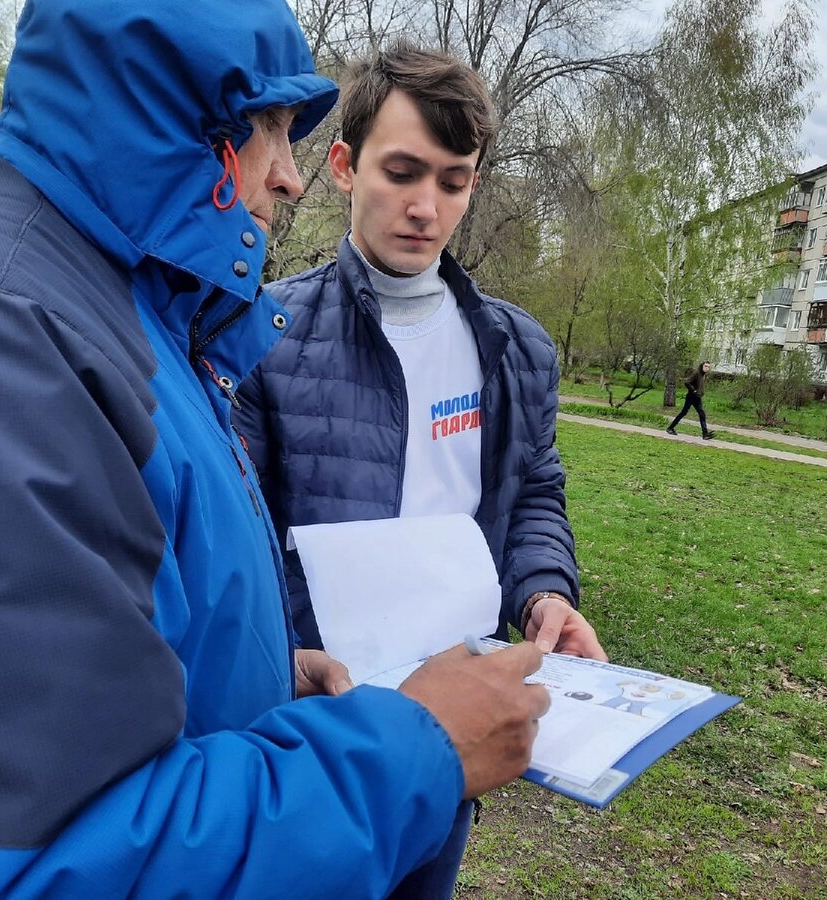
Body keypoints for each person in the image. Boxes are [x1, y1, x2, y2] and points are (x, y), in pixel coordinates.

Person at [0, 3, 551, 897]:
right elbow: (35, 859)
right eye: (269, 127)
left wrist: (263, 678)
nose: (290, 178)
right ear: (171, 118)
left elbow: (111, 623)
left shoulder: (122, 308)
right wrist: (410, 754)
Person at [234, 43, 606, 898]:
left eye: (453, 180)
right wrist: (283, 658)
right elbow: (231, 532)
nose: (425, 206)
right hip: (313, 727)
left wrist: (546, 593)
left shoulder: (515, 346)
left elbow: (534, 491)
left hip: (455, 721)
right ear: (341, 165)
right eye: (401, 171)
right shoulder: (261, 334)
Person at [666, 360, 715, 438]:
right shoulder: (697, 373)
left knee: (701, 413)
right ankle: (670, 428)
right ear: (702, 366)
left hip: (697, 397)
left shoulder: (703, 375)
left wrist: (701, 393)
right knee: (684, 412)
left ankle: (705, 434)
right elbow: (687, 382)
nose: (707, 368)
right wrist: (694, 391)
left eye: (708, 367)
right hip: (691, 396)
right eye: (705, 366)